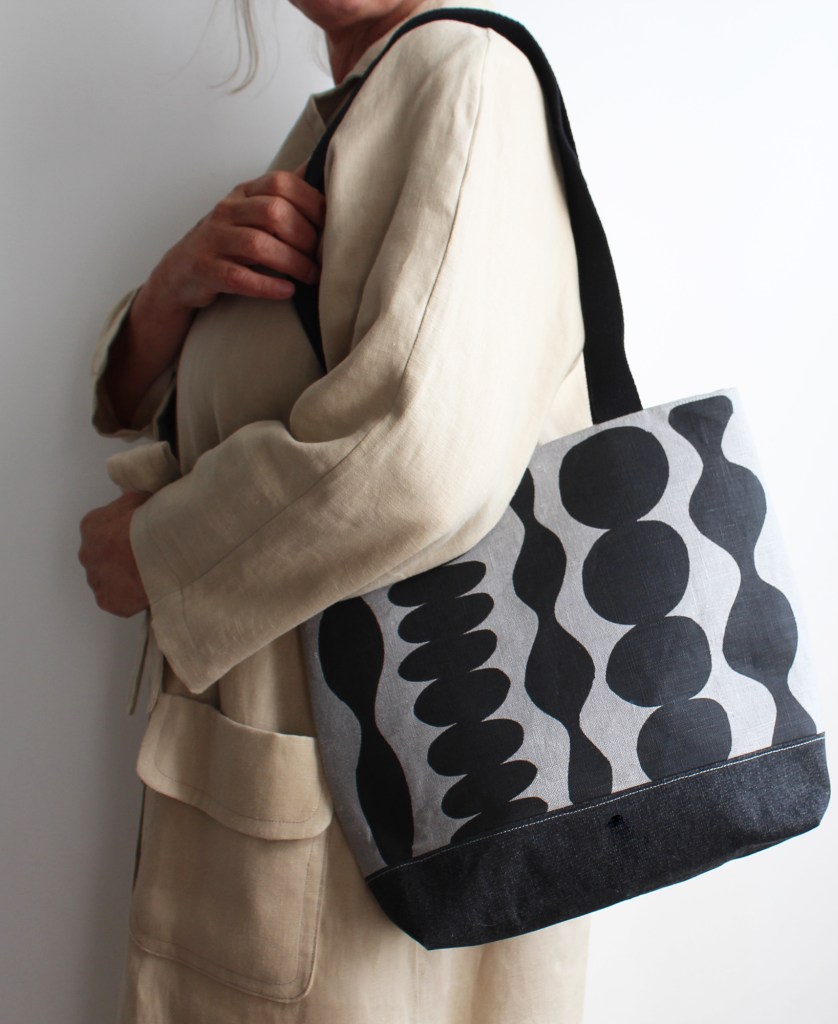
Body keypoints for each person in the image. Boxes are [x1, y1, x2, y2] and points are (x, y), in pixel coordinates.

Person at [77, 0, 594, 1020]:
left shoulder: (464, 75)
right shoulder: (345, 116)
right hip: (303, 808)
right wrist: (170, 292)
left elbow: (418, 457)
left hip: (374, 827)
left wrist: (155, 553)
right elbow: (160, 403)